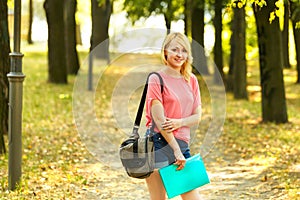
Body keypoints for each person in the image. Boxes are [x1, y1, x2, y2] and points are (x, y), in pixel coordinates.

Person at [145, 32, 202, 200]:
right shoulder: (156, 79)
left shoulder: (191, 80)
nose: (179, 54)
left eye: (184, 50)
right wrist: (176, 150)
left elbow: (197, 116)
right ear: (165, 52)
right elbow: (160, 120)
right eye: (175, 49)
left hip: (182, 144)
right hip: (158, 145)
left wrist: (179, 123)